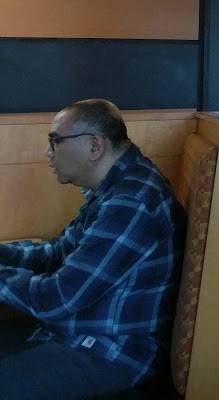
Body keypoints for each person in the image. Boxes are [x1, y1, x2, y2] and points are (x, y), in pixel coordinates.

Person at [0, 99, 186, 400]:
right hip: (80, 334)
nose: (48, 152)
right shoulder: (116, 187)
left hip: (111, 353)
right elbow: (57, 253)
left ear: (94, 146)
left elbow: (57, 298)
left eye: (55, 141)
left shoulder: (131, 202)